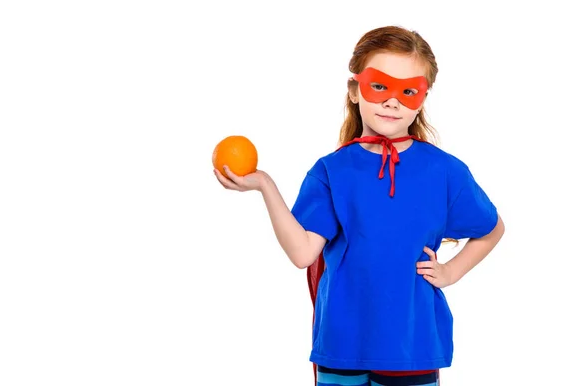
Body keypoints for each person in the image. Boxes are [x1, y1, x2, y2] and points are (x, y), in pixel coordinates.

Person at [214, 25, 505, 386]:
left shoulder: (444, 170)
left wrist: (450, 272)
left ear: (423, 97)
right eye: (379, 85)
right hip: (343, 342)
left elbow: (492, 229)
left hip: (411, 345)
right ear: (354, 90)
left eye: (408, 91)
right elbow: (303, 252)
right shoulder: (331, 170)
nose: (392, 100)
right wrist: (266, 186)